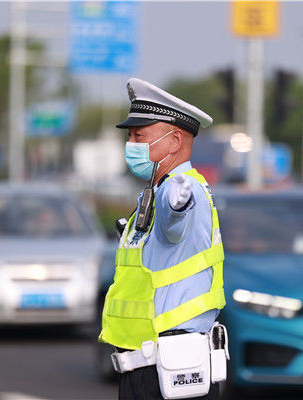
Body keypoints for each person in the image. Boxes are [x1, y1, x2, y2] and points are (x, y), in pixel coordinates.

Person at [99, 78, 226, 400]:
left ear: (174, 140)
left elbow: (175, 220)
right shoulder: (155, 191)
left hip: (171, 368)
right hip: (150, 365)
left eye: (139, 135)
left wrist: (176, 206)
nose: (131, 144)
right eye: (130, 136)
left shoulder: (179, 188)